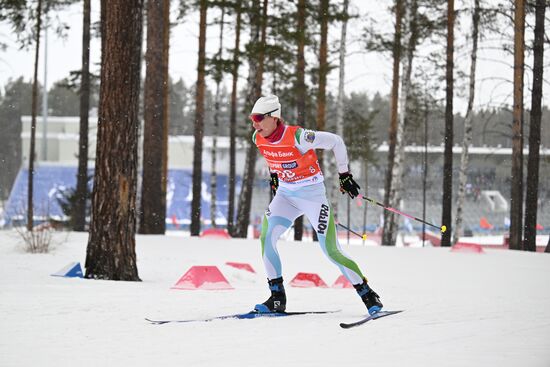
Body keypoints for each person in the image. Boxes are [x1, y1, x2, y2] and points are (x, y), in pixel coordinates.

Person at [249, 94, 383, 315]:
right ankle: (277, 298)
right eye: (252, 118)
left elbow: (336, 142)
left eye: (259, 117)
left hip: (312, 196)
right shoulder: (258, 137)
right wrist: (275, 175)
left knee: (330, 250)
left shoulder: (299, 137)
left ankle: (368, 295)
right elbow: (272, 156)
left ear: (274, 117)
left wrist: (344, 175)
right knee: (266, 237)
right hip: (286, 196)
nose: (254, 123)